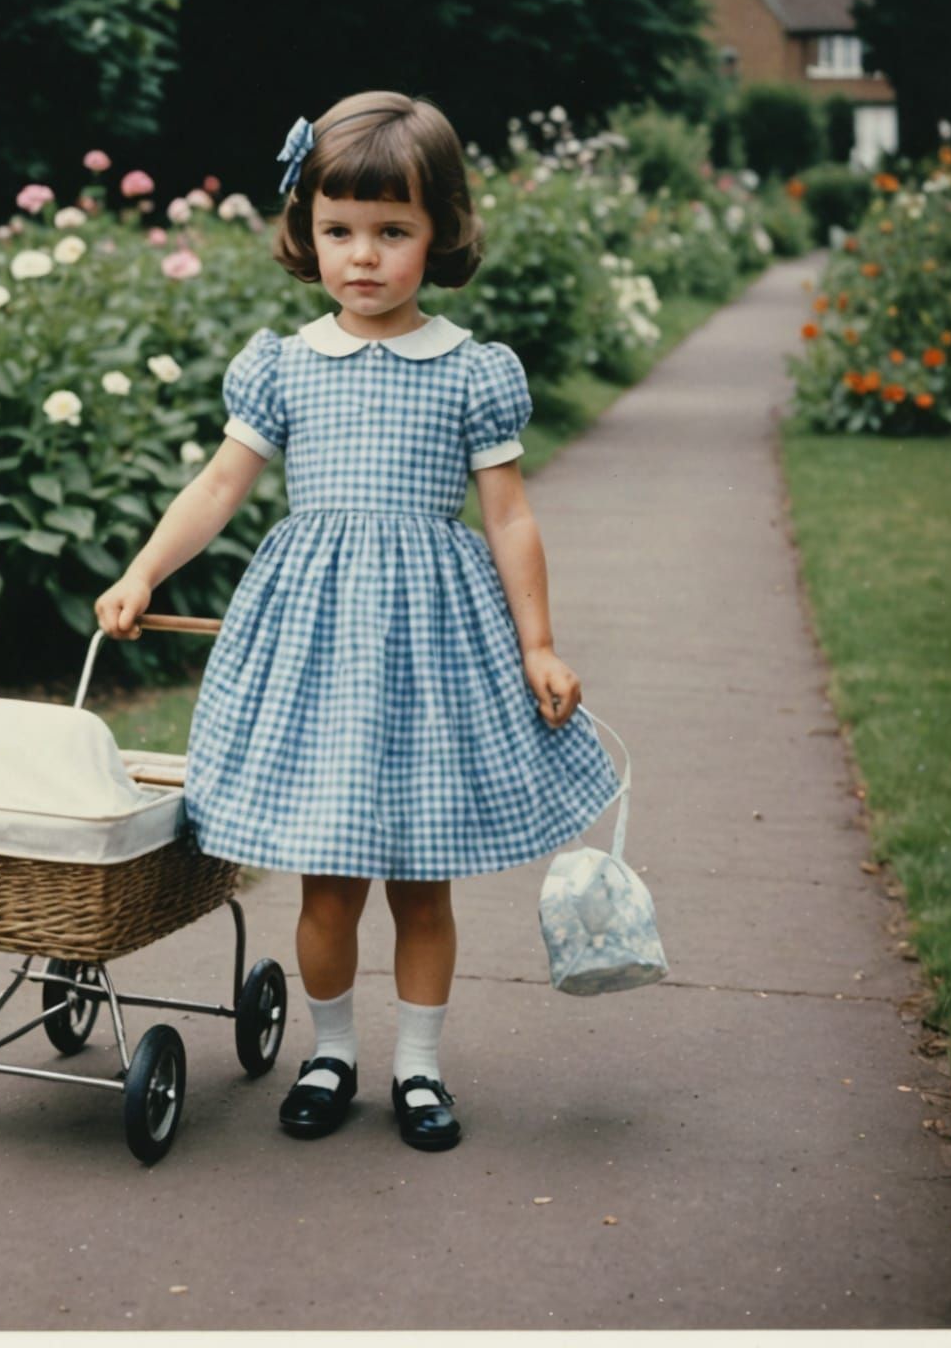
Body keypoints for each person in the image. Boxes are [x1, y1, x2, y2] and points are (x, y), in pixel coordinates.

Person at [93, 90, 622, 1152]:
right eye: (339, 231)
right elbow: (218, 486)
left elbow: (509, 517)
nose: (364, 257)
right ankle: (330, 1052)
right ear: (308, 232)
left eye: (392, 231)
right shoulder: (286, 365)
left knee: (422, 886)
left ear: (441, 232)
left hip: (431, 657)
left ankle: (418, 1067)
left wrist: (539, 644)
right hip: (320, 656)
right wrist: (144, 571)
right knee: (328, 885)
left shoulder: (470, 371)